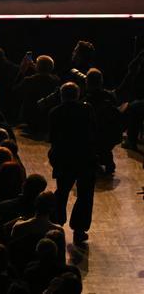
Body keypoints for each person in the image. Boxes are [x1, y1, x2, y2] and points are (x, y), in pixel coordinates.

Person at [47, 82, 97, 245]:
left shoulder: (55, 112)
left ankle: (57, 222)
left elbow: (52, 137)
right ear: (78, 94)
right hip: (85, 157)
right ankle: (79, 228)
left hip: (64, 158)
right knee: (85, 194)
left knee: (62, 191)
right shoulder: (87, 109)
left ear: (62, 96)